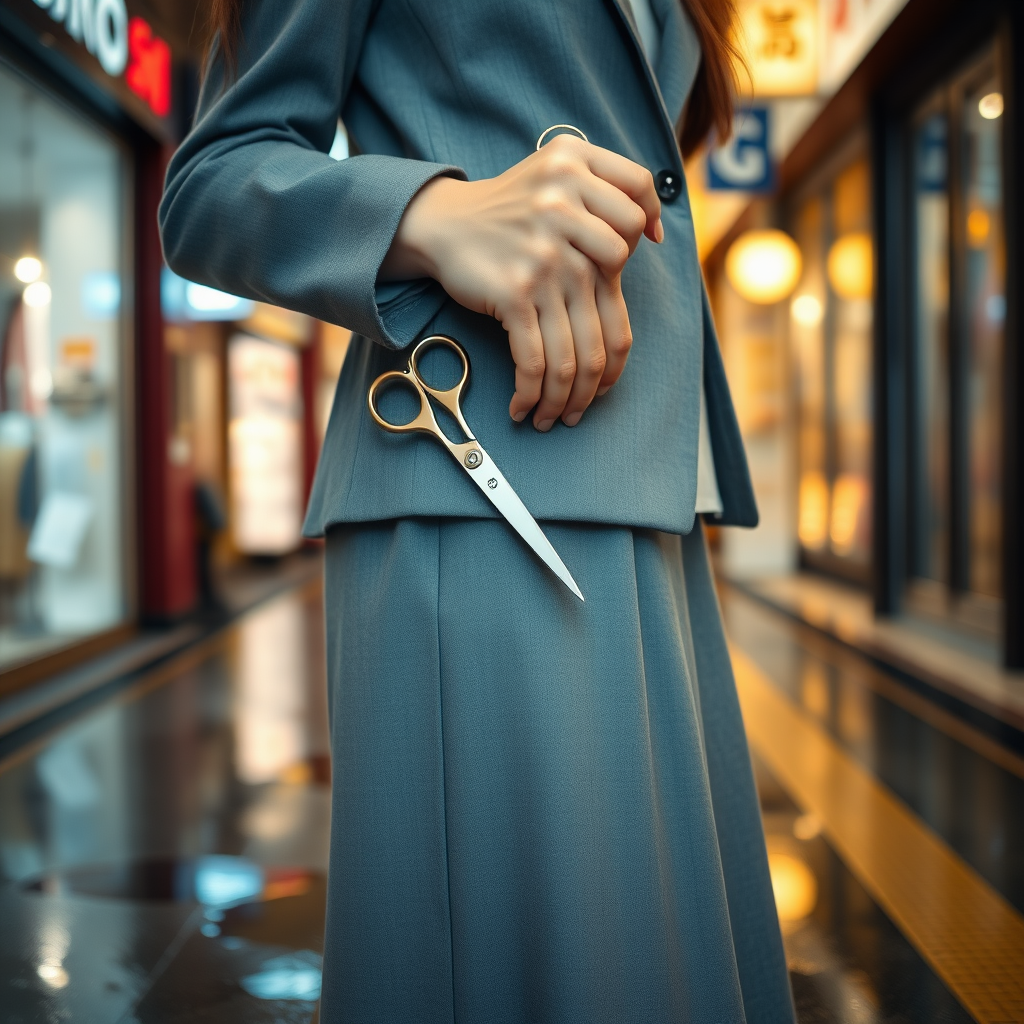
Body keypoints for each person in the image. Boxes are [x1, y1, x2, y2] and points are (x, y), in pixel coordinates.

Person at [160, 0, 796, 1020]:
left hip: (649, 495)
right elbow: (209, 186)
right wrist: (436, 214)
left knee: (650, 963)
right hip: (480, 483)